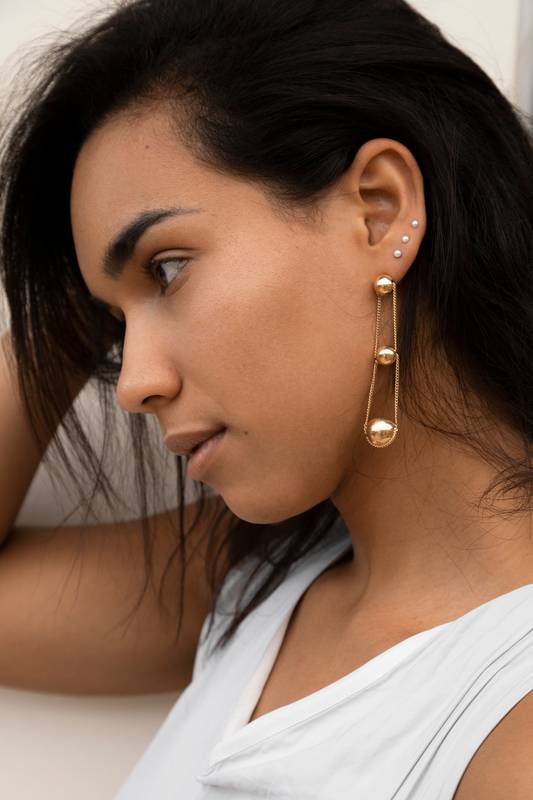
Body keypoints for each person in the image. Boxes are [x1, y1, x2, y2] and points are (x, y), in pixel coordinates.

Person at [0, 0, 532, 796]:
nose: (135, 384)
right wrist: (80, 293)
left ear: (377, 209)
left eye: (169, 267)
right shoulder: (259, 581)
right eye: (116, 330)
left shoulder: (509, 718)